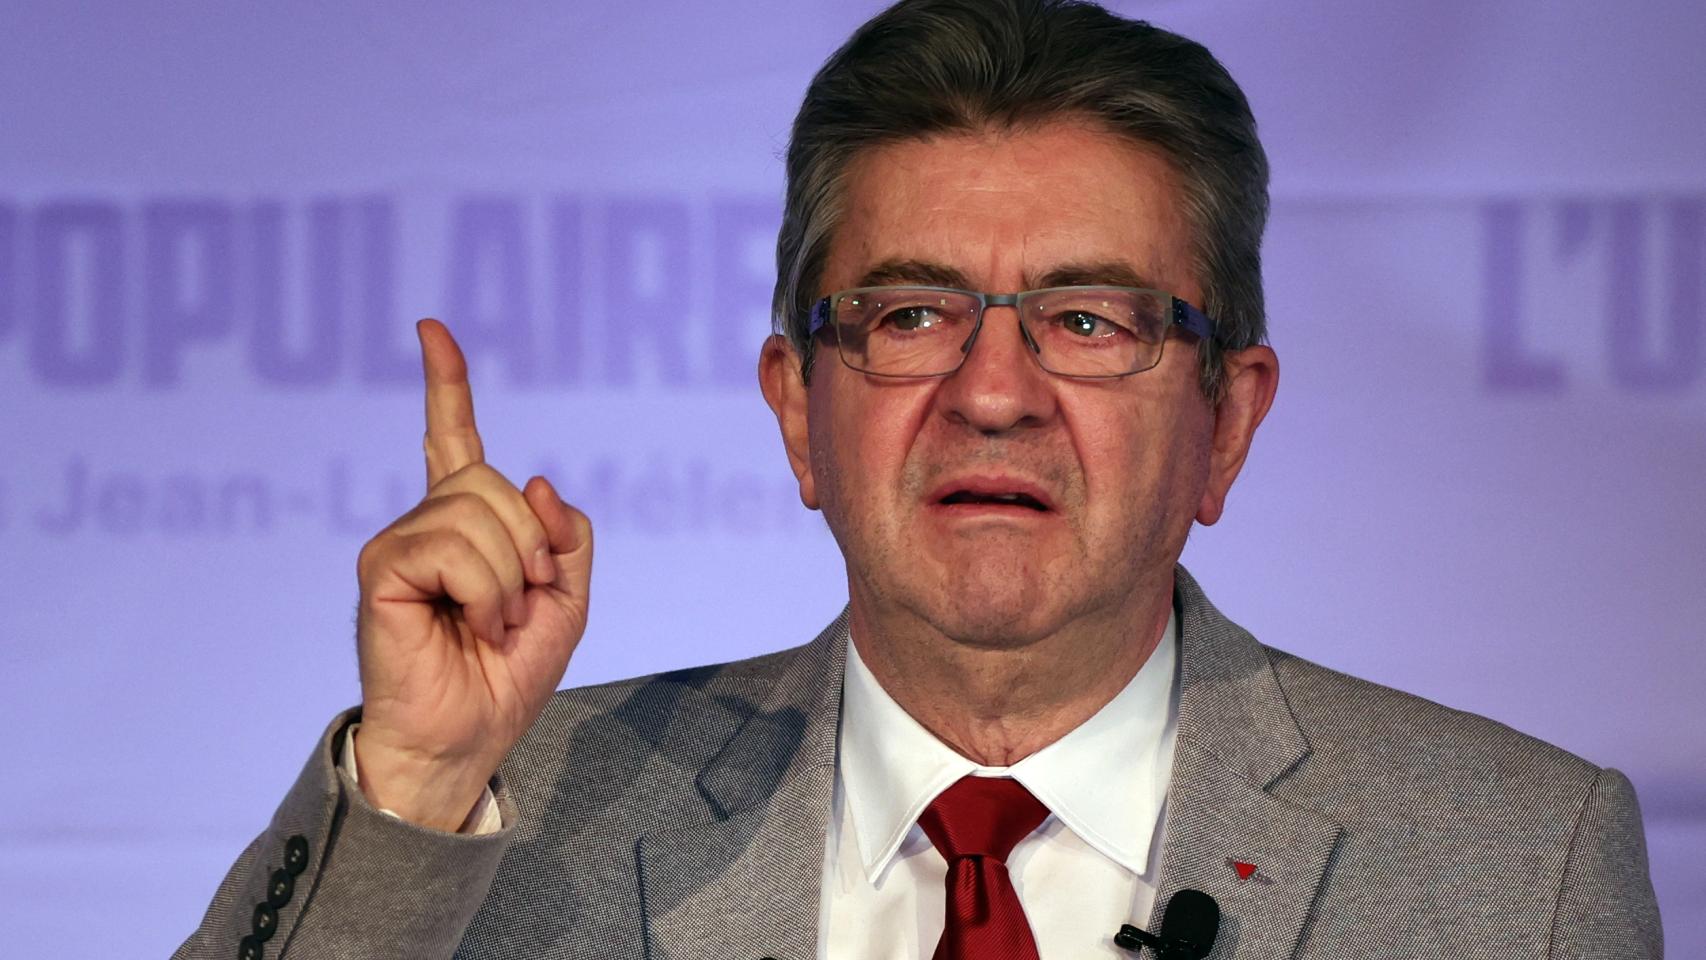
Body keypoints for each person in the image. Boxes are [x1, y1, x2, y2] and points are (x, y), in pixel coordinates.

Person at [176, 1, 1663, 957]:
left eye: (1088, 320)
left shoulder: (1516, 865)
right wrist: (420, 790)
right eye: (908, 317)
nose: (992, 391)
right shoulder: (495, 826)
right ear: (799, 414)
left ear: (1226, 420)